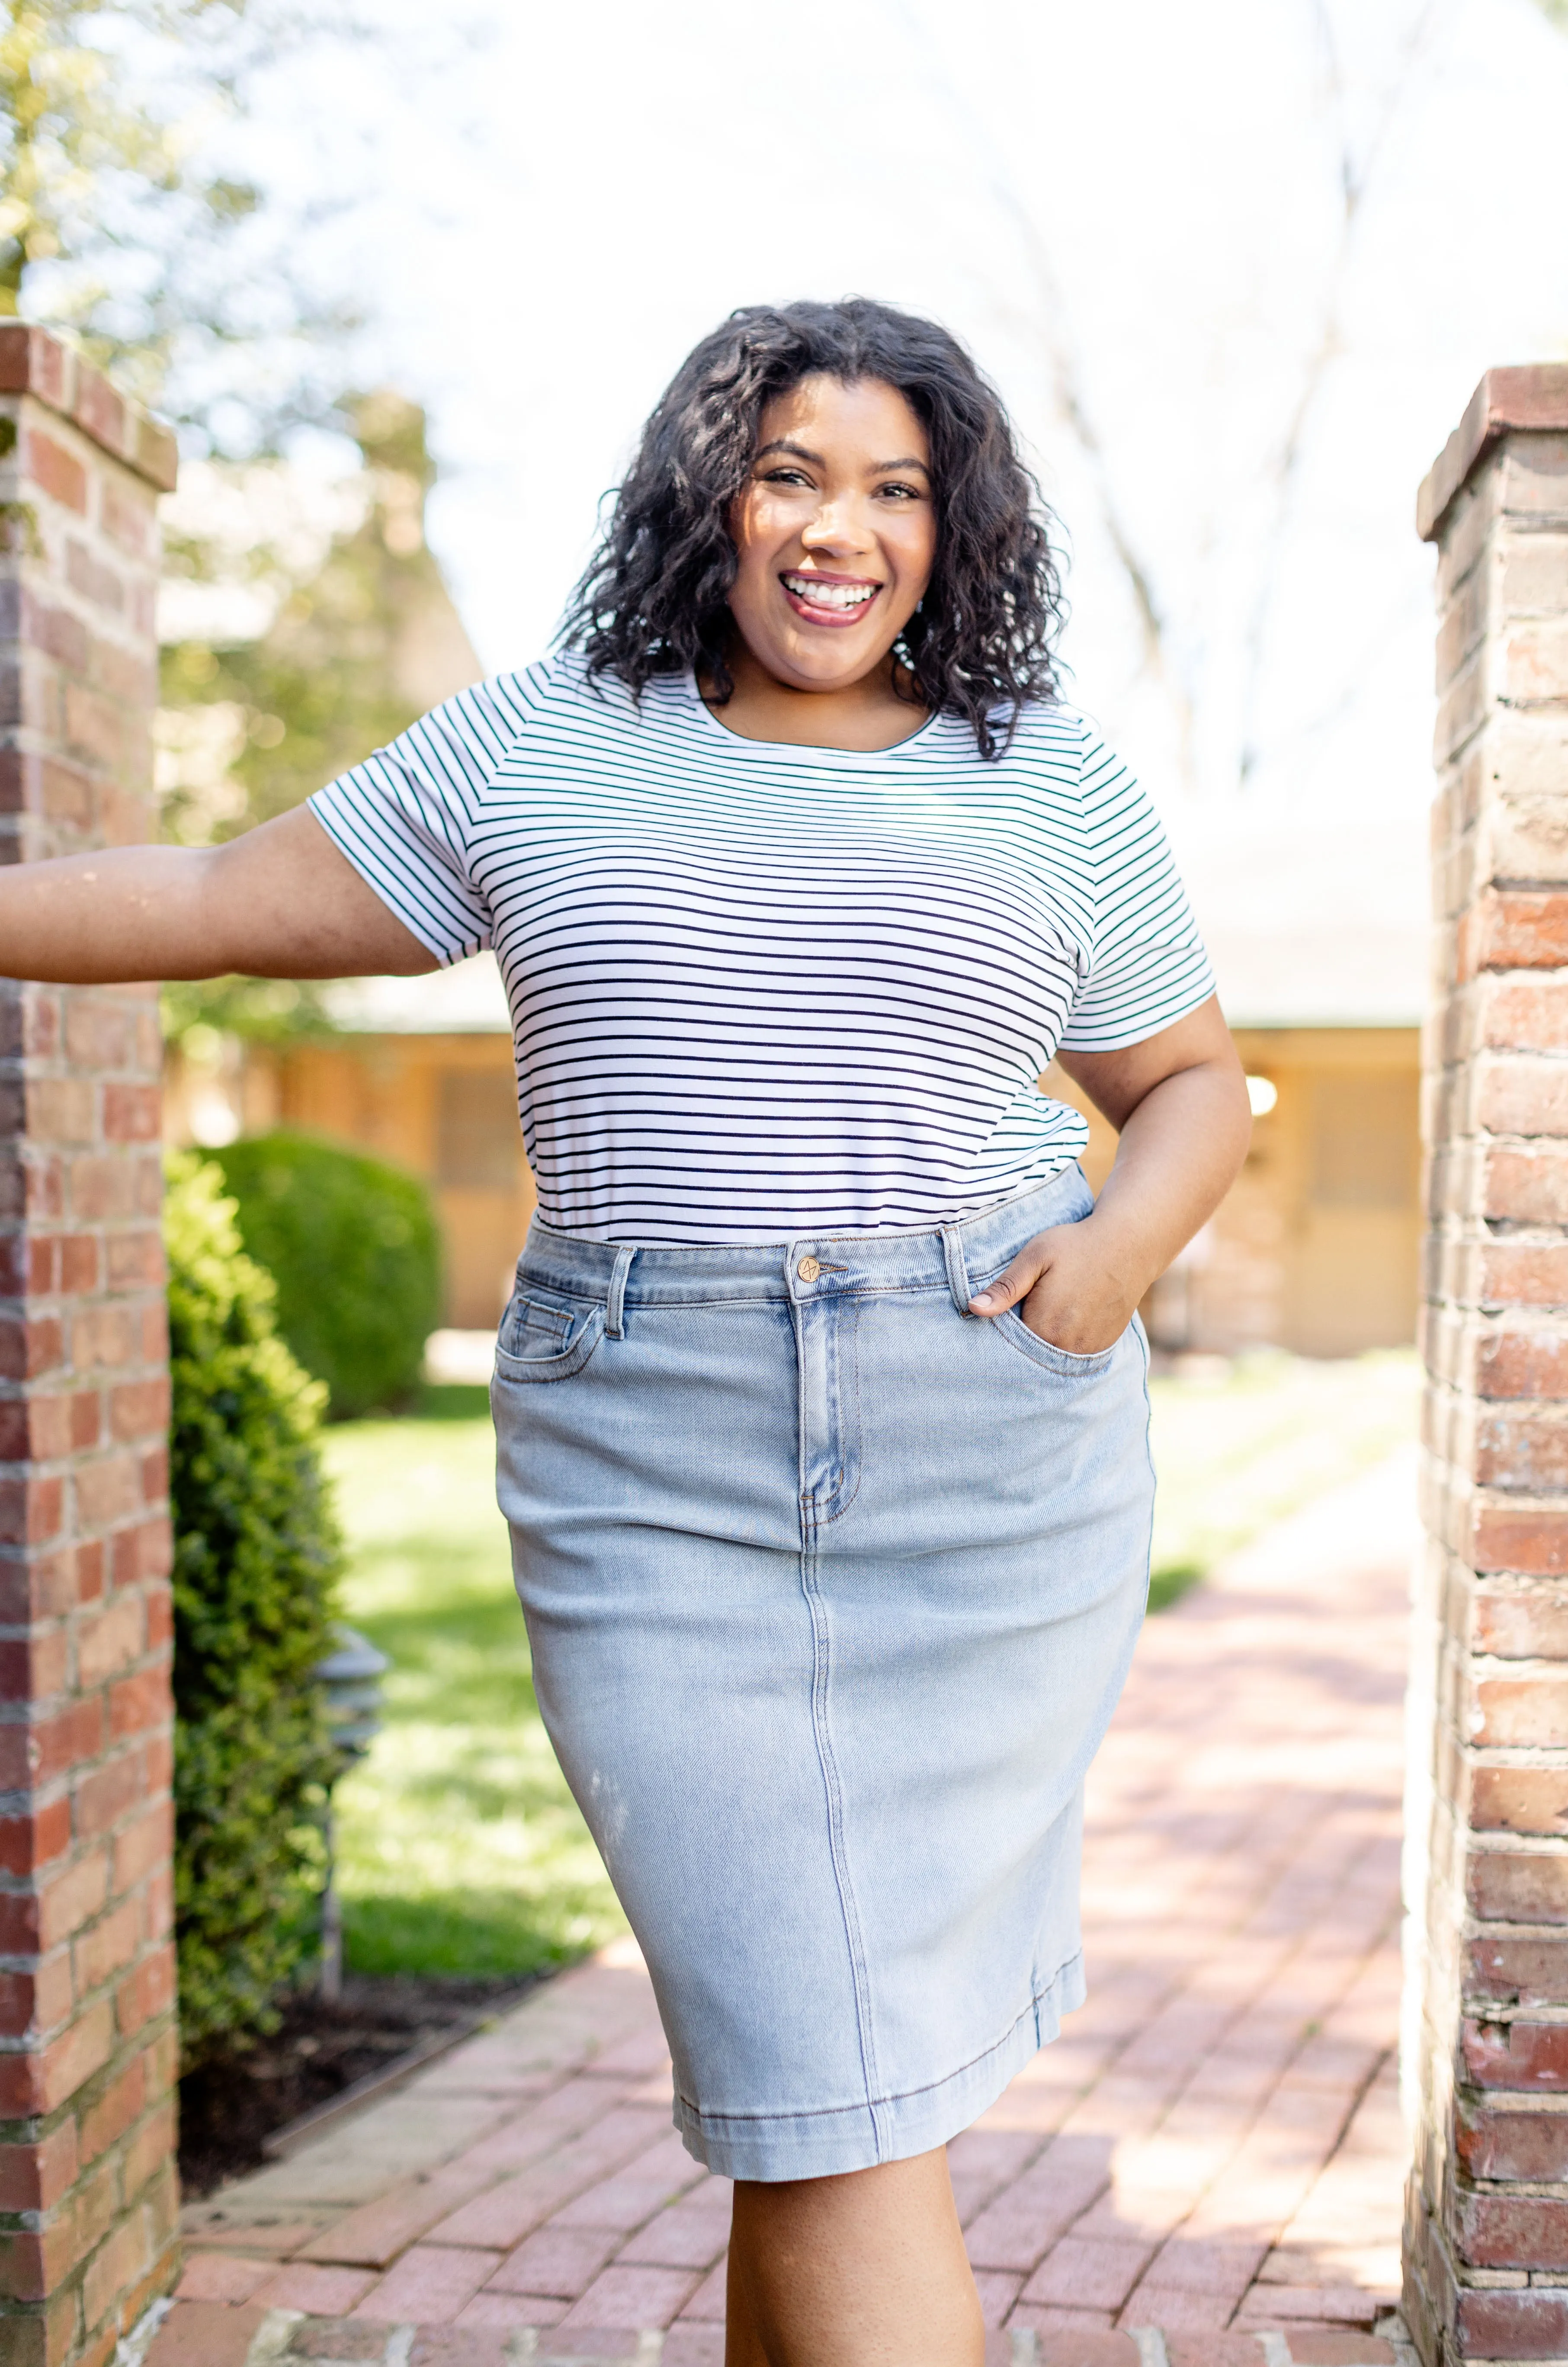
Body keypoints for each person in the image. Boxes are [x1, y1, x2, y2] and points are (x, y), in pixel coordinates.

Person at [0, 298, 1250, 2366]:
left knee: (825, 2099)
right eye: (791, 474)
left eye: (896, 490)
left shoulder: (1050, 780)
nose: (839, 531)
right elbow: (217, 886)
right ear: (711, 496)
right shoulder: (546, 742)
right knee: (822, 2049)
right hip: (649, 1477)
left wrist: (1114, 1257)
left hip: (983, 1454)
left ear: (955, 531)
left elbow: (1193, 1082)